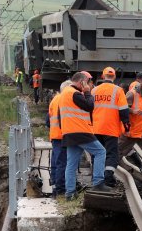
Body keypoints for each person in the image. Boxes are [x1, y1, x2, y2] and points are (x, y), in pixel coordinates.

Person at [59, 71, 111, 200]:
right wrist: (87, 92)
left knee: (71, 164)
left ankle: (70, 193)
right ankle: (98, 182)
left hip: (70, 133)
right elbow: (89, 106)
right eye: (86, 82)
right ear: (81, 82)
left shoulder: (64, 93)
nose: (88, 85)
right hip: (80, 131)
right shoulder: (74, 93)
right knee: (101, 152)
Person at [92, 66, 129, 189]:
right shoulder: (118, 91)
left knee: (97, 153)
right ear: (114, 77)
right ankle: (108, 178)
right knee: (111, 154)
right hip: (111, 128)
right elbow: (124, 111)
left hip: (95, 128)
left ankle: (96, 176)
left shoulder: (94, 90)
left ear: (103, 76)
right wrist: (127, 127)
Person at [48, 80, 72, 198]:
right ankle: (60, 190)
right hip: (63, 135)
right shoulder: (65, 99)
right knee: (62, 163)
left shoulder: (55, 99)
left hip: (55, 135)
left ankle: (55, 186)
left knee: (56, 162)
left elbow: (48, 120)